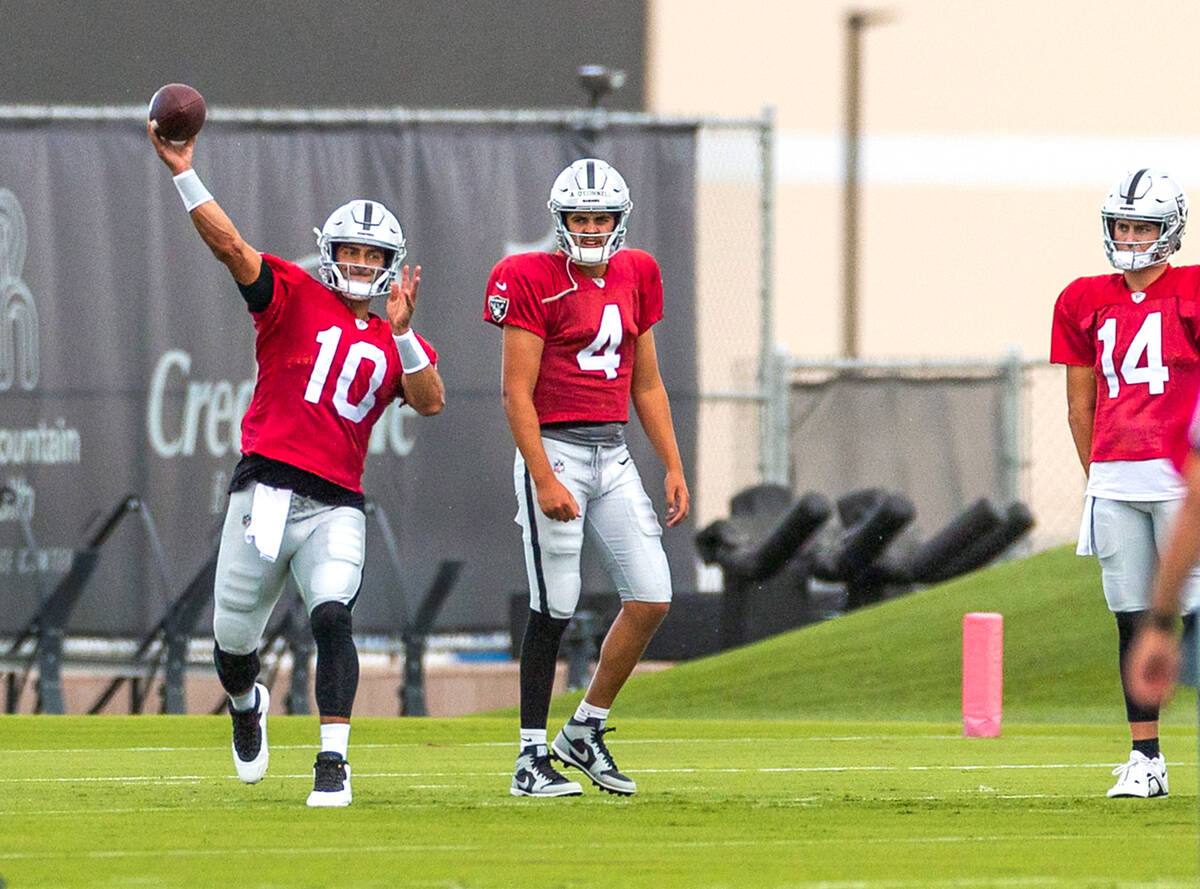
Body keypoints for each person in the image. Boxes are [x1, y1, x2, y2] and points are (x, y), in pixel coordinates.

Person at [148, 121, 444, 807]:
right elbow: (229, 243)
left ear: (394, 264)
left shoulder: (397, 339)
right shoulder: (290, 296)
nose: (363, 266)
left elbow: (430, 401)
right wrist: (183, 170)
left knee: (333, 616)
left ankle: (333, 762)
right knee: (231, 642)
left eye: (375, 256)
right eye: (351, 252)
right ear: (330, 252)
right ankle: (245, 701)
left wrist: (402, 336)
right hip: (266, 492)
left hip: (336, 503)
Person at [483, 158, 690, 797]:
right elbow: (517, 394)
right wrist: (543, 477)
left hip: (614, 454)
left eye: (602, 217)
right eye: (581, 217)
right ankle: (527, 757)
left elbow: (645, 381)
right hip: (557, 450)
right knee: (556, 603)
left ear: (619, 220)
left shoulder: (638, 272)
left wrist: (674, 462)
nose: (592, 227)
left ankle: (584, 729)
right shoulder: (528, 277)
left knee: (653, 595)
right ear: (561, 220)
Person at [1050, 167, 1200, 799]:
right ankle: (1146, 760)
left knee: (1190, 615)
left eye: (1142, 225)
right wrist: (1101, 474)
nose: (1131, 236)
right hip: (1115, 476)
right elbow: (1079, 405)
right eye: (1122, 224)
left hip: (1180, 476)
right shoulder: (1082, 297)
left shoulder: (1192, 290)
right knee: (1132, 618)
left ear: (1170, 231)